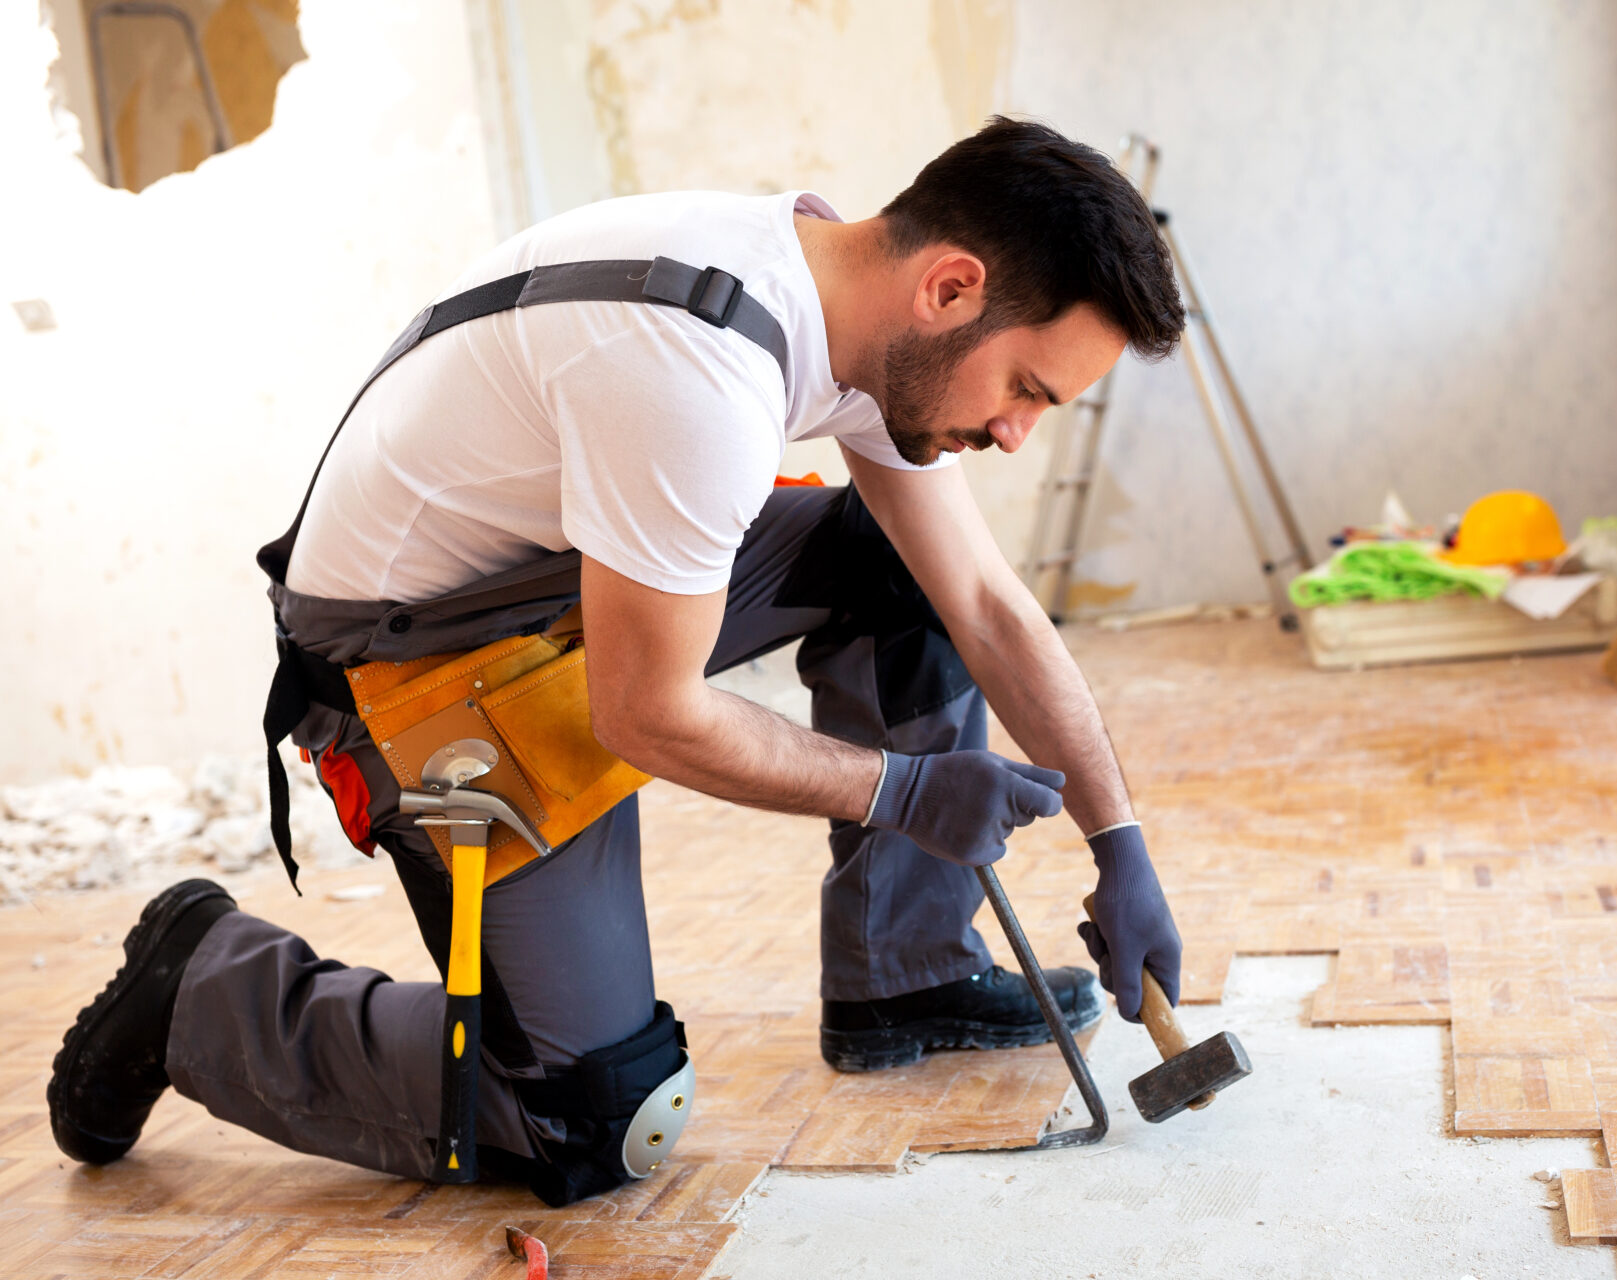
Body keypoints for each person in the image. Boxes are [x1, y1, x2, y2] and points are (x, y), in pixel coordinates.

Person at [48, 117, 1187, 1204]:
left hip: (562, 578)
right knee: (595, 1113)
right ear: (951, 286)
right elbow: (649, 711)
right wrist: (905, 788)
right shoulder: (696, 367)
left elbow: (982, 600)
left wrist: (1117, 837)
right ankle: (203, 985)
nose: (1013, 432)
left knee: (905, 569)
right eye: (1027, 389)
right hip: (420, 657)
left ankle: (910, 966)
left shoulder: (841, 302)